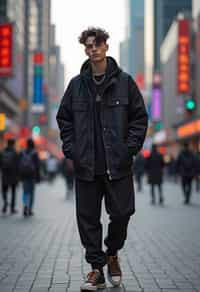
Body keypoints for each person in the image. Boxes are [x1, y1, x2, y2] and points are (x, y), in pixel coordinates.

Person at [56, 27, 148, 291]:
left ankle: (112, 253)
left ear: (106, 46)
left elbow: (139, 118)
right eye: (88, 46)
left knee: (121, 213)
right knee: (87, 219)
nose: (92, 49)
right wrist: (72, 149)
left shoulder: (125, 82)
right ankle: (96, 269)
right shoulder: (76, 85)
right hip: (86, 166)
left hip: (117, 166)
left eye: (96, 44)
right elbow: (64, 119)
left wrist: (128, 148)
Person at [19, 138, 40, 217]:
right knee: (31, 193)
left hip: (24, 175)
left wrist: (19, 176)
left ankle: (25, 206)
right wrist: (38, 177)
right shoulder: (34, 153)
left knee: (25, 192)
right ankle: (30, 209)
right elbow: (37, 166)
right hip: (32, 176)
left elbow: (19, 165)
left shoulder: (22, 152)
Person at [0, 138, 19, 214]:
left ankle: (5, 204)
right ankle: (12, 208)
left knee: (4, 191)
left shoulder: (2, 152)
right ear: (13, 144)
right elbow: (18, 164)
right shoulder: (15, 152)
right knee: (13, 192)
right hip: (13, 175)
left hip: (5, 174)